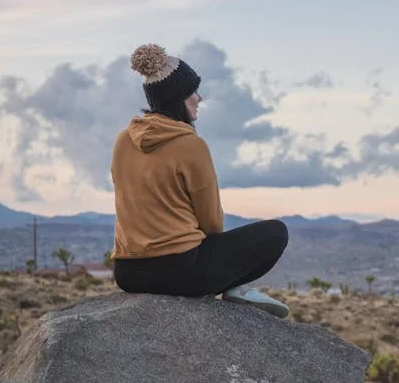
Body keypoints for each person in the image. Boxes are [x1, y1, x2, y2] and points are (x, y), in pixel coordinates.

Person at [109, 43, 290, 318]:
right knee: (276, 233)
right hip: (180, 270)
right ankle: (233, 287)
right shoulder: (191, 145)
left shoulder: (124, 140)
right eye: (192, 91)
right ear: (177, 98)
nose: (199, 98)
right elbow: (212, 224)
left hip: (128, 272)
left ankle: (231, 285)